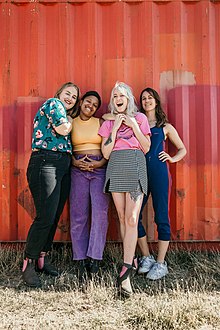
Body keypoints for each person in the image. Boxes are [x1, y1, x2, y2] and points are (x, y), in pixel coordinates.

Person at [22, 82, 80, 288]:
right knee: (45, 216)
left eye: (74, 96)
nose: (70, 98)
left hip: (63, 165)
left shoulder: (63, 111)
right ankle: (27, 264)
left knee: (54, 215)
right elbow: (63, 128)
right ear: (59, 94)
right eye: (68, 93)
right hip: (45, 162)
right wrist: (71, 121)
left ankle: (41, 260)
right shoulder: (54, 104)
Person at [99, 82, 151, 296]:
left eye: (122, 95)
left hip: (136, 163)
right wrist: (116, 129)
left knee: (132, 217)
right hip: (116, 164)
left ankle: (125, 270)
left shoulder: (140, 118)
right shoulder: (109, 123)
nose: (118, 98)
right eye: (115, 96)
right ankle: (130, 259)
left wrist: (133, 125)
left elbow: (146, 147)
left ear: (128, 98)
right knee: (121, 217)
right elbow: (106, 153)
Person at [137, 87, 187, 280]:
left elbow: (182, 149)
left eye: (150, 98)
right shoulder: (137, 122)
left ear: (156, 101)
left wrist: (172, 159)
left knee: (162, 216)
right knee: (134, 216)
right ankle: (146, 257)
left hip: (159, 173)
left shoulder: (165, 126)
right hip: (139, 173)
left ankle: (160, 263)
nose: (147, 101)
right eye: (143, 98)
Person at [69, 91, 109, 281]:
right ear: (81, 101)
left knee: (100, 214)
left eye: (95, 105)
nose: (91, 106)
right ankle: (79, 258)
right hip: (77, 168)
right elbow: (64, 144)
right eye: (88, 102)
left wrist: (99, 163)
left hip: (98, 169)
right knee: (79, 214)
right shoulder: (71, 121)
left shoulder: (100, 122)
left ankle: (94, 258)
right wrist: (74, 162)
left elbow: (108, 147)